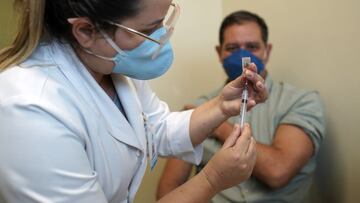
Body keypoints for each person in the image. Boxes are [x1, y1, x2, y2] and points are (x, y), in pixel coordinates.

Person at [0, 1, 268, 203]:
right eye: (149, 29)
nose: (160, 39)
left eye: (164, 21)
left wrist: (221, 106)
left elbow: (158, 128)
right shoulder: (31, 111)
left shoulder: (109, 65)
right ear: (85, 30)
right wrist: (213, 179)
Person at [157, 10, 326, 203]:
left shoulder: (301, 102)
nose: (242, 55)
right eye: (232, 47)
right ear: (219, 53)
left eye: (252, 46)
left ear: (267, 51)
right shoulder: (197, 109)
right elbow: (168, 190)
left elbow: (278, 172)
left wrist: (218, 126)